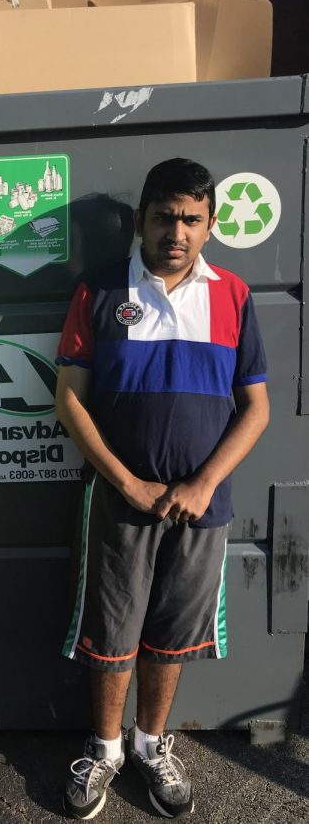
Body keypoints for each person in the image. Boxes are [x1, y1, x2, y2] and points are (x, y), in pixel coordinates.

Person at [55, 158, 270, 820]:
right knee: (111, 633)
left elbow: (256, 408)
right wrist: (128, 482)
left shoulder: (232, 295)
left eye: (190, 219)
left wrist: (203, 483)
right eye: (163, 217)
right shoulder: (97, 292)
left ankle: (150, 745)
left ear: (208, 225)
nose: (175, 232)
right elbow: (68, 400)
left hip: (203, 510)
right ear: (140, 219)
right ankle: (105, 748)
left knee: (173, 635)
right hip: (120, 501)